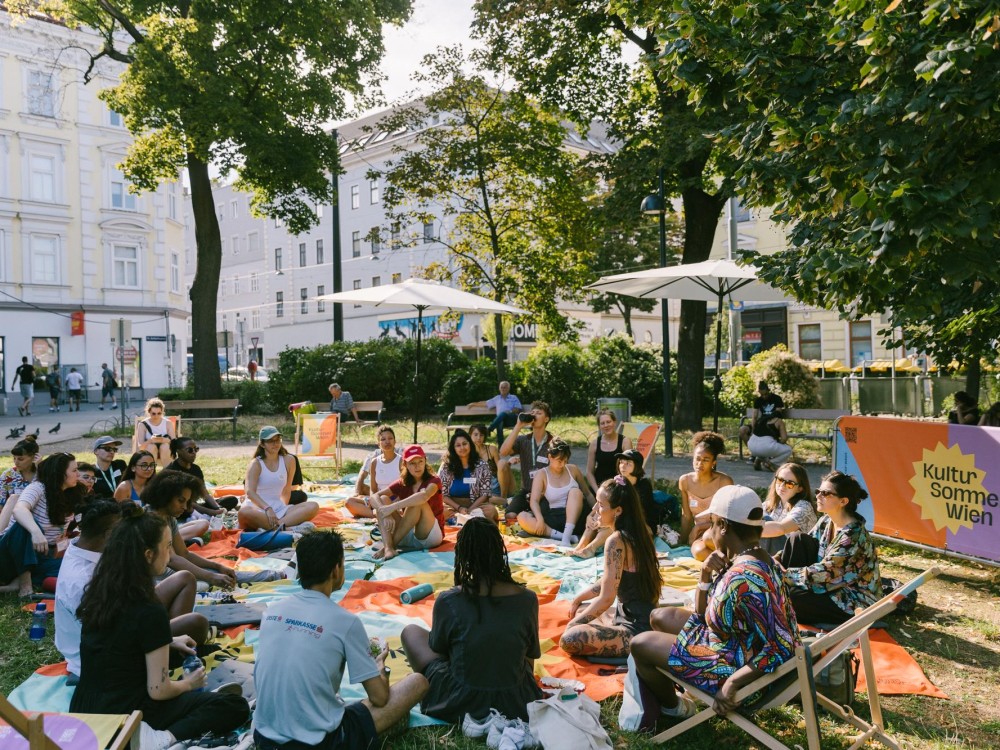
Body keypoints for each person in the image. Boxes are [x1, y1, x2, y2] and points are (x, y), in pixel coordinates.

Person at [70, 506, 249, 750]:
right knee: (232, 706)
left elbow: (117, 643)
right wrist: (189, 683)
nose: (170, 553)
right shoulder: (147, 608)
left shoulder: (101, 591)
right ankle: (163, 738)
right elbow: (159, 690)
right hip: (127, 715)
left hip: (86, 708)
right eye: (166, 547)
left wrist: (167, 641)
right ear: (147, 555)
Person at [629, 486, 800, 726]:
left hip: (739, 671)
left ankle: (674, 708)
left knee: (640, 644)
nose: (709, 531)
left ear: (724, 526)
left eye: (711, 524)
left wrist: (732, 683)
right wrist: (705, 574)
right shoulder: (755, 558)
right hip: (733, 643)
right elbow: (704, 614)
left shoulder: (746, 578)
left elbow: (782, 646)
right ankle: (680, 684)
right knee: (659, 616)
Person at [254, 530, 428, 750]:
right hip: (318, 743)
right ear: (336, 570)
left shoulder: (272, 611)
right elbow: (379, 698)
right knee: (416, 683)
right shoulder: (345, 622)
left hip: (264, 737)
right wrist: (379, 663)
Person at [401, 517, 542, 723]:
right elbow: (530, 657)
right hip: (515, 700)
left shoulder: (449, 600)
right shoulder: (527, 599)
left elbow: (439, 649)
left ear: (462, 555)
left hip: (459, 700)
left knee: (411, 632)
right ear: (499, 552)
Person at [560, 477, 659, 658]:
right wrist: (578, 599)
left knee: (570, 638)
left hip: (637, 631)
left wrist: (572, 625)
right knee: (582, 609)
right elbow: (609, 580)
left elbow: (607, 598)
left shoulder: (616, 541)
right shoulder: (638, 533)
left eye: (600, 505)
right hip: (635, 617)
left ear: (618, 510)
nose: (595, 509)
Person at [777, 471, 882, 626]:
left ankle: (781, 591)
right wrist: (777, 559)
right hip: (829, 583)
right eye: (818, 491)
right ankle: (781, 590)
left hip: (851, 598)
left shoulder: (852, 537)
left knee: (790, 597)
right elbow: (806, 545)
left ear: (843, 501)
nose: (818, 496)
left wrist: (783, 574)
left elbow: (825, 573)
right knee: (797, 538)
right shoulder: (827, 520)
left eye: (825, 493)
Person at [0, 452, 85, 596]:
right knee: (25, 525)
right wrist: (36, 533)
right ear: (60, 473)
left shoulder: (71, 494)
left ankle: (16, 583)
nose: (78, 474)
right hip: (9, 553)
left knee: (75, 568)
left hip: (42, 555)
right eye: (74, 470)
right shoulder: (38, 487)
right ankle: (25, 586)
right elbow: (19, 509)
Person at [55, 501, 123, 680]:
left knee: (181, 580)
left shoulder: (80, 546)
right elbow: (105, 636)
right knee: (192, 624)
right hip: (95, 657)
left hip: (108, 631)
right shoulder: (83, 580)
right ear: (109, 534)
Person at [144, 470, 238, 590]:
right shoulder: (150, 520)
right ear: (165, 496)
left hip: (165, 572)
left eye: (187, 502)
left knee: (220, 573)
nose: (184, 507)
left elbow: (184, 553)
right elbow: (172, 559)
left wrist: (217, 566)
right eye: (181, 501)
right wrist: (210, 577)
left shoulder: (169, 518)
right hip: (149, 580)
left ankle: (269, 575)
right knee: (200, 583)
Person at [370, 445, 445, 561]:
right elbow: (374, 496)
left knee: (418, 501)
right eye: (412, 463)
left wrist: (392, 507)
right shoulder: (402, 482)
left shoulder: (434, 480)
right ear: (405, 465)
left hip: (429, 535)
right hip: (406, 532)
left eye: (420, 461)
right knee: (383, 499)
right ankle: (389, 548)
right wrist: (384, 511)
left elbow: (424, 496)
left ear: (425, 461)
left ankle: (389, 545)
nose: (417, 466)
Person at [515, 439, 593, 547]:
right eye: (560, 461)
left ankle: (566, 538)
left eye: (565, 461)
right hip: (554, 518)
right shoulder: (542, 474)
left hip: (577, 518)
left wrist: (596, 511)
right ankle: (565, 537)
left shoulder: (573, 469)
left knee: (575, 491)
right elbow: (534, 501)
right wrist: (539, 518)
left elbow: (587, 493)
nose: (562, 464)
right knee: (522, 517)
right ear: (550, 457)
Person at [239, 426, 319, 531]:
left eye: (277, 440)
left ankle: (277, 526)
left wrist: (284, 511)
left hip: (279, 508)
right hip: (257, 508)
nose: (275, 444)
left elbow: (287, 490)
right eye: (270, 441)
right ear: (262, 444)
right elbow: (250, 492)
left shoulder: (289, 460)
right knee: (244, 513)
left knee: (313, 506)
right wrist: (267, 508)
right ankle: (289, 528)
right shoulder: (256, 464)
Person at [679, 431, 733, 551]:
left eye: (706, 460)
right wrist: (682, 542)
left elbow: (728, 519)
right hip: (700, 536)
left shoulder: (724, 482)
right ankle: (724, 561)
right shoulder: (685, 480)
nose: (699, 464)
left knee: (709, 538)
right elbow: (686, 516)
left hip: (722, 531)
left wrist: (699, 526)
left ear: (714, 463)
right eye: (697, 459)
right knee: (700, 551)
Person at [500, 400, 554, 514]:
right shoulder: (523, 440)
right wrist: (518, 426)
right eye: (532, 412)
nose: (534, 415)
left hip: (547, 493)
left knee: (539, 516)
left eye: (539, 413)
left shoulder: (554, 442)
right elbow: (503, 452)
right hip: (526, 491)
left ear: (546, 419)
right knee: (509, 515)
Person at [438, 429, 497, 521]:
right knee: (440, 510)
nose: (462, 448)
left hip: (476, 505)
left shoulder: (482, 465)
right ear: (454, 449)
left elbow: (485, 494)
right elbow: (443, 494)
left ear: (470, 444)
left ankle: (462, 520)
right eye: (458, 445)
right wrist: (459, 508)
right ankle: (465, 520)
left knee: (491, 511)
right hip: (453, 505)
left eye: (465, 444)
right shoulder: (447, 466)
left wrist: (470, 510)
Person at [344, 426, 403, 519]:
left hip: (395, 501)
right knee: (349, 502)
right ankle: (379, 515)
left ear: (395, 441)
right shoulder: (374, 462)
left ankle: (382, 514)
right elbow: (373, 489)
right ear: (379, 444)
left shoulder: (401, 461)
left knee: (385, 500)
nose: (387, 442)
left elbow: (405, 487)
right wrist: (375, 503)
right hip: (378, 500)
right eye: (383, 439)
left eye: (390, 438)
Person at [165, 437, 236, 513]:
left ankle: (206, 511)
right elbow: (182, 500)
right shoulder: (172, 471)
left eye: (196, 449)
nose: (194, 453)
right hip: (182, 505)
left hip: (195, 505)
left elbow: (205, 494)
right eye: (190, 450)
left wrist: (217, 508)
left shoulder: (196, 469)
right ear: (178, 452)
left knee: (231, 500)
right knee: (185, 509)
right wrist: (212, 512)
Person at [759, 463, 817, 555]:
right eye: (780, 480)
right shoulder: (768, 505)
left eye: (790, 484)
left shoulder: (804, 507)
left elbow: (780, 529)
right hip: (775, 553)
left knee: (764, 520)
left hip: (793, 557)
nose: (782, 485)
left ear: (800, 489)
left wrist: (746, 528)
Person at [586, 409, 633, 494]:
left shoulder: (625, 442)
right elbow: (589, 472)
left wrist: (618, 488)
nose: (606, 425)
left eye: (608, 422)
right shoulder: (594, 444)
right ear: (599, 426)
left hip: (619, 486)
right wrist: (598, 491)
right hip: (598, 486)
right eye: (602, 423)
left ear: (614, 422)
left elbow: (629, 469)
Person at [0, 435, 40, 533]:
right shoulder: (9, 475)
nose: (16, 462)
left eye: (20, 459)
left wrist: (41, 468)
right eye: (14, 458)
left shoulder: (43, 474)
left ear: (34, 457)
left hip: (38, 522)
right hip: (10, 524)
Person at [738, 380, 785, 448]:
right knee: (742, 430)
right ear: (759, 392)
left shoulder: (777, 399)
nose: (764, 397)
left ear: (768, 390)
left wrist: (767, 421)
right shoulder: (758, 401)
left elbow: (778, 413)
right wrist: (753, 431)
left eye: (766, 394)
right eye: (762, 395)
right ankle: (753, 450)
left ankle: (768, 451)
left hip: (772, 423)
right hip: (760, 423)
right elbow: (754, 417)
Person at [135, 398, 177, 467]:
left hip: (165, 451)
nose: (156, 416)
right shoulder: (143, 424)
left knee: (165, 446)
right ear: (149, 412)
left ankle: (168, 473)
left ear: (162, 412)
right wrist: (151, 440)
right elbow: (140, 447)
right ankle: (151, 473)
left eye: (159, 413)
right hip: (149, 451)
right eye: (153, 414)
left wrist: (163, 440)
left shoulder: (167, 423)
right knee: (151, 446)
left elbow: (174, 443)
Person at [469, 424, 508, 499]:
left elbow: (501, 469)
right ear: (470, 435)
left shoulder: (492, 449)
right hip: (475, 486)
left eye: (481, 435)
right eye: (475, 435)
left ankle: (503, 498)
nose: (478, 438)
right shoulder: (466, 450)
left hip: (493, 486)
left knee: (502, 463)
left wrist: (508, 463)